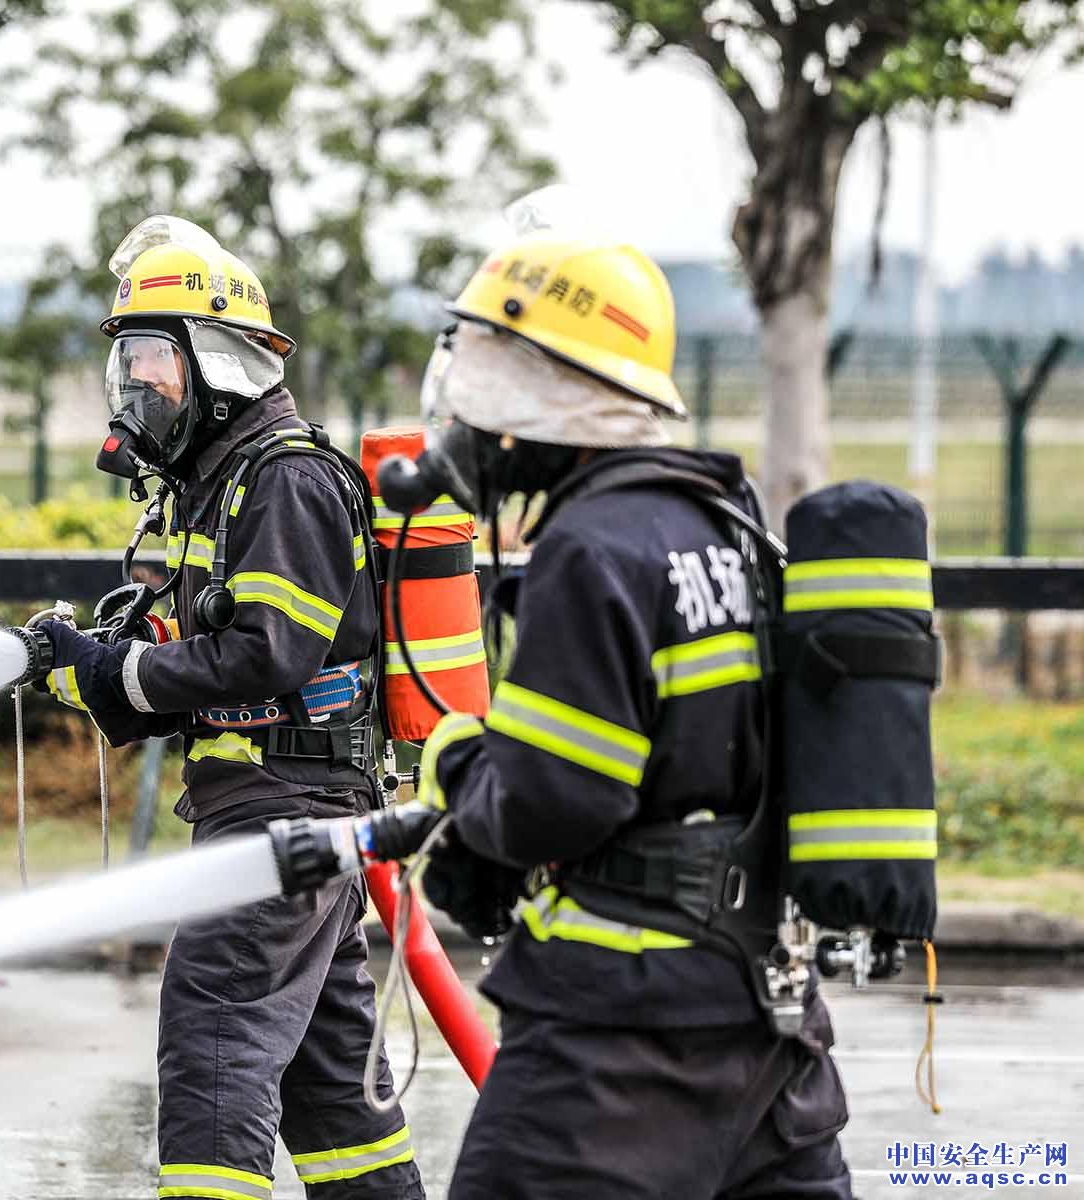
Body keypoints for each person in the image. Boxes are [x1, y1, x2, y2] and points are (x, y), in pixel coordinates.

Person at [405, 223, 854, 1199]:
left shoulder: (590, 547)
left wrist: (460, 774)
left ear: (536, 391)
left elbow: (554, 799)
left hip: (620, 1043)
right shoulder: (722, 522)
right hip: (769, 1020)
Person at [31, 215, 425, 1200]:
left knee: (213, 1053)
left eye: (154, 356)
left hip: (284, 805)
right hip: (289, 802)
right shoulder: (214, 485)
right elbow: (212, 658)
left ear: (217, 361)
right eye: (128, 358)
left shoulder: (283, 477)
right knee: (334, 1093)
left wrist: (116, 677)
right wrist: (83, 667)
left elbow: (266, 654)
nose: (137, 383)